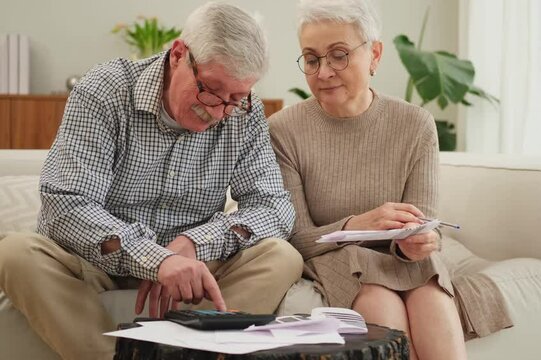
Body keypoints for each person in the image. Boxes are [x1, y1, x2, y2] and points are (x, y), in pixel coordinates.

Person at [0, 2, 303, 359]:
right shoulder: (104, 91)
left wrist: (193, 244)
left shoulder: (243, 113)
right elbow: (67, 204)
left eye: (235, 99)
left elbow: (274, 207)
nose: (219, 112)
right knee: (14, 253)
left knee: (281, 256)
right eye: (211, 90)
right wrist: (155, 260)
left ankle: (191, 354)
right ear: (178, 54)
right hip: (96, 260)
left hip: (193, 267)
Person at [269, 1, 512, 359]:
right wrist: (358, 224)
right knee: (380, 301)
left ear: (375, 55)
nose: (323, 72)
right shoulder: (283, 131)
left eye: (338, 55)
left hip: (405, 262)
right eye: (311, 59)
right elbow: (296, 238)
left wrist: (419, 241)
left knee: (430, 292)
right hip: (339, 259)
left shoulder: (415, 124)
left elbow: (426, 225)